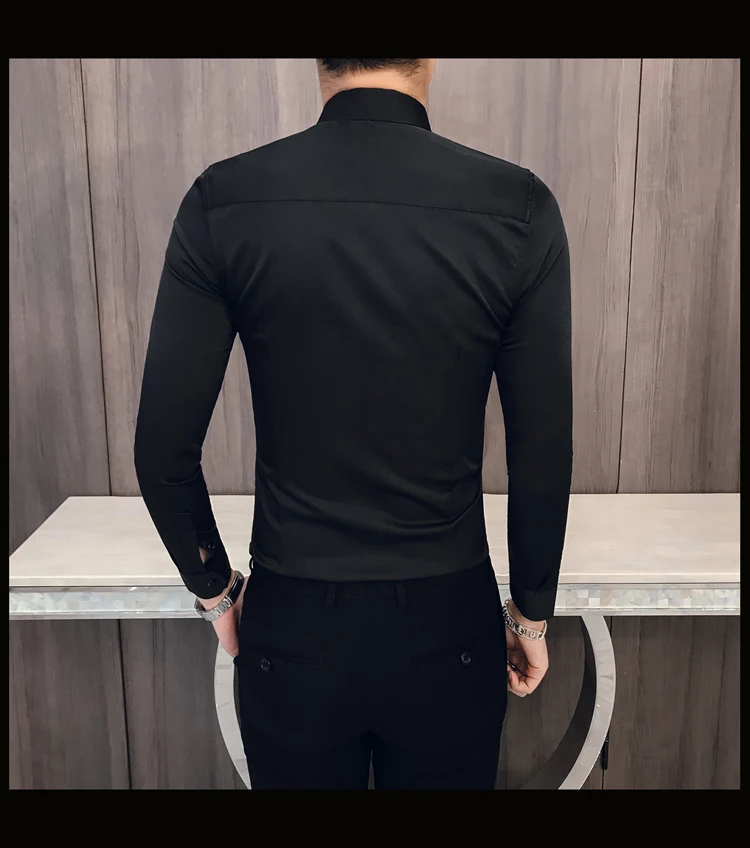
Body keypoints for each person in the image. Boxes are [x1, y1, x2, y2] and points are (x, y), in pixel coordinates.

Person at [134, 58, 572, 790]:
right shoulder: (518, 208)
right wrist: (530, 617)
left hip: (293, 624)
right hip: (447, 628)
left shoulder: (225, 201)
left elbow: (161, 452)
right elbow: (542, 455)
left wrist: (216, 591)